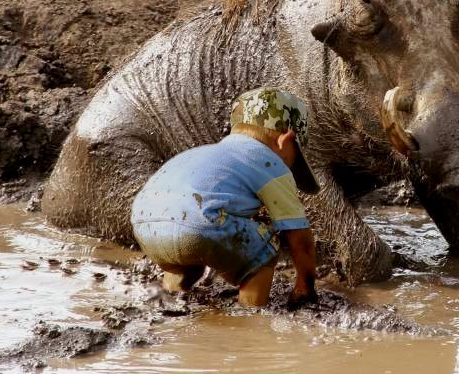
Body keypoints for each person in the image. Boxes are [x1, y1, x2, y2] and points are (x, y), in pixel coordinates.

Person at [131, 87, 320, 307]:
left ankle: (170, 299)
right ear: (285, 139)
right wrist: (305, 287)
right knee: (267, 247)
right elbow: (300, 238)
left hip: (146, 225)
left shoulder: (203, 153)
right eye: (293, 159)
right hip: (199, 226)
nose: (290, 166)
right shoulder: (270, 163)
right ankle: (250, 315)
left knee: (186, 257)